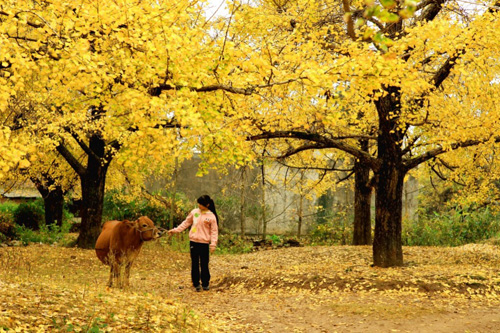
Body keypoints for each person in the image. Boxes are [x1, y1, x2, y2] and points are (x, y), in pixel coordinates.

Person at [168, 195, 219, 292]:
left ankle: (205, 283)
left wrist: (213, 244)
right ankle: (196, 283)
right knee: (194, 263)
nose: (199, 205)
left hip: (204, 243)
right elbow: (186, 223)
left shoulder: (211, 216)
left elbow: (214, 231)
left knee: (204, 264)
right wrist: (175, 230)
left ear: (207, 205)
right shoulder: (194, 212)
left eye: (201, 204)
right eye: (198, 204)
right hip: (193, 242)